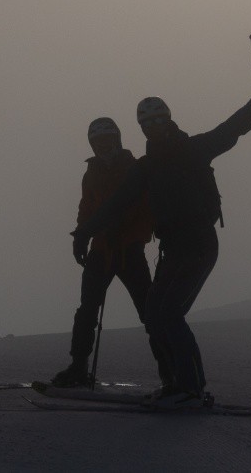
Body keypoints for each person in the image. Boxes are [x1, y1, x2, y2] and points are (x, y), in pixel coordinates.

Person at [72, 70, 251, 409]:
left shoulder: (194, 149)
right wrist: (84, 232)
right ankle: (177, 383)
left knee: (168, 314)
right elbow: (115, 205)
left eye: (160, 120)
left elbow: (237, 125)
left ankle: (189, 388)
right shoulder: (145, 168)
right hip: (173, 248)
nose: (155, 127)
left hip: (199, 244)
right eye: (148, 124)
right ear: (142, 129)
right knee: (155, 313)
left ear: (169, 120)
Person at [49, 117, 168, 389]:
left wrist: (125, 230)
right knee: (87, 310)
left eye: (108, 140)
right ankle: (79, 366)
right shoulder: (91, 174)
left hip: (129, 252)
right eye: (99, 142)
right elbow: (86, 209)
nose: (104, 146)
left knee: (149, 313)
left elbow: (146, 209)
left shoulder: (135, 168)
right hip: (101, 250)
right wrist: (81, 237)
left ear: (118, 140)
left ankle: (169, 371)